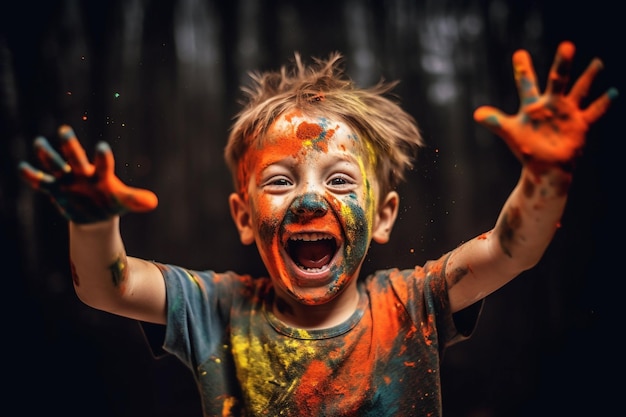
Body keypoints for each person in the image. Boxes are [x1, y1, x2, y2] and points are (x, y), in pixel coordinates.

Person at [19, 41, 616, 416]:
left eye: (339, 181)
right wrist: (95, 223)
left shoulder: (415, 304)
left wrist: (544, 174)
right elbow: (107, 286)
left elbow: (512, 250)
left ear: (383, 217)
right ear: (244, 218)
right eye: (280, 181)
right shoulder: (215, 309)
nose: (308, 196)